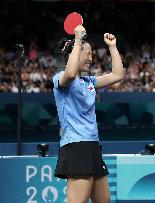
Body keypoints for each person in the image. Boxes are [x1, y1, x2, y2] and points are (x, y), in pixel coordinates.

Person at [53, 25, 124, 203]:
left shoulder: (89, 81)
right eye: (88, 54)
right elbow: (70, 73)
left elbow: (117, 75)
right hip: (76, 146)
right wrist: (77, 41)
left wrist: (113, 47)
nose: (91, 58)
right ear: (74, 55)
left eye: (92, 54)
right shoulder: (61, 79)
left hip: (93, 146)